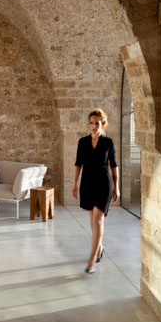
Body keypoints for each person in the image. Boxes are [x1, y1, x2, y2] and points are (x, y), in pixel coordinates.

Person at [71, 108, 119, 274]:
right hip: (87, 185)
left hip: (104, 185)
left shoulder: (108, 143)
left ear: (102, 124)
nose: (93, 126)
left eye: (97, 123)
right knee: (93, 221)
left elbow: (114, 165)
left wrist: (117, 186)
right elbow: (78, 164)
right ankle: (99, 248)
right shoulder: (82, 142)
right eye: (91, 123)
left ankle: (91, 261)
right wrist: (74, 184)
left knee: (97, 220)